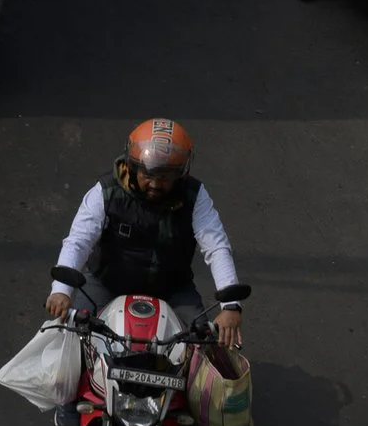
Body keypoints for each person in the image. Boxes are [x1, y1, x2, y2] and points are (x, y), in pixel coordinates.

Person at [43, 119, 249, 382]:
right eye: (148, 174)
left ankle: (191, 420)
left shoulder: (195, 197)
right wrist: (61, 291)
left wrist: (231, 306)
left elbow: (216, 246)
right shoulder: (105, 193)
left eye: (165, 176)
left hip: (173, 289)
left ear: (180, 174)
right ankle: (68, 413)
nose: (155, 183)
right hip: (107, 284)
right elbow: (79, 241)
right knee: (67, 338)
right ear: (131, 167)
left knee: (207, 352)